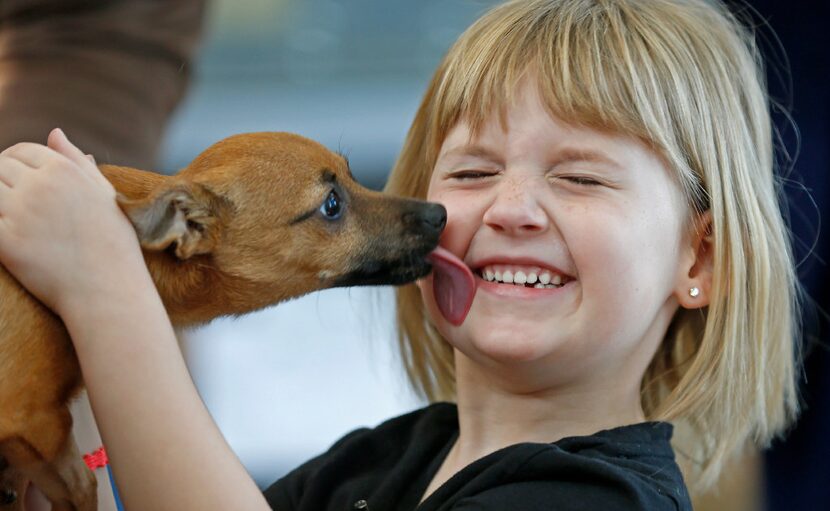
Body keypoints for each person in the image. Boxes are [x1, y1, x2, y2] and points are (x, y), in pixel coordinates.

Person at [0, 0, 799, 510]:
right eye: (474, 172)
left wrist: (106, 287)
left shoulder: (593, 498)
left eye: (580, 176)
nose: (511, 209)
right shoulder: (379, 464)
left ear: (700, 260)